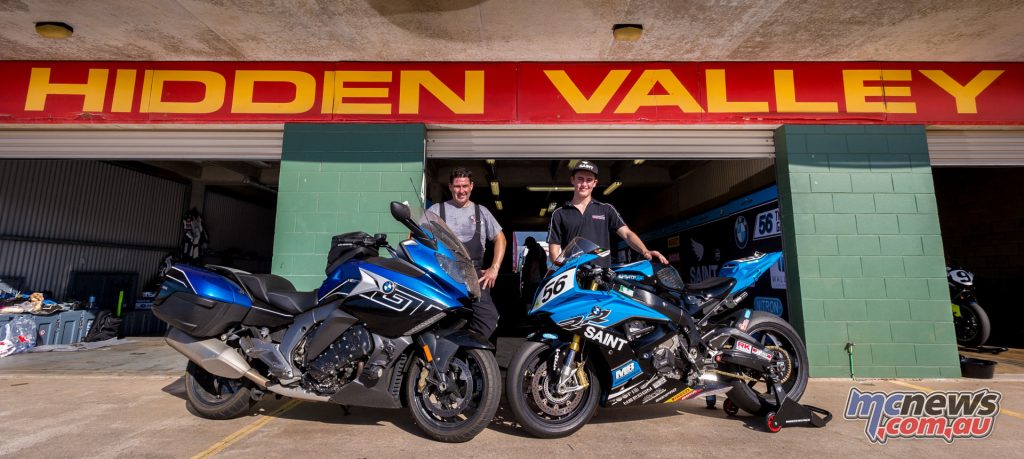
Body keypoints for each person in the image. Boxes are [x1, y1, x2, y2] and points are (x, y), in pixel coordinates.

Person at [428, 167, 506, 340]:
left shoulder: (482, 212)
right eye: (457, 186)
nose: (461, 191)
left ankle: (471, 353)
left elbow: (500, 239)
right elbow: (415, 236)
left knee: (489, 318)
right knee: (444, 318)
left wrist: (494, 268)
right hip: (444, 274)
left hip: (474, 274)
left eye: (464, 186)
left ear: (471, 186)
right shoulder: (435, 211)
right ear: (450, 187)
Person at [547, 160, 668, 267]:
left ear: (595, 183)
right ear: (572, 180)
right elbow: (554, 249)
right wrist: (560, 270)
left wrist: (645, 251)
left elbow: (627, 234)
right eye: (580, 179)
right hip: (572, 277)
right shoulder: (559, 213)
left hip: (601, 278)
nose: (584, 184)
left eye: (589, 180)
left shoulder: (606, 209)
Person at [521, 236, 547, 304]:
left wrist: (530, 278)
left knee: (530, 297)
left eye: (527, 245)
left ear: (530, 243)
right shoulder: (538, 249)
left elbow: (534, 263)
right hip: (536, 279)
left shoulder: (535, 250)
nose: (527, 247)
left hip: (534, 280)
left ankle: (530, 313)